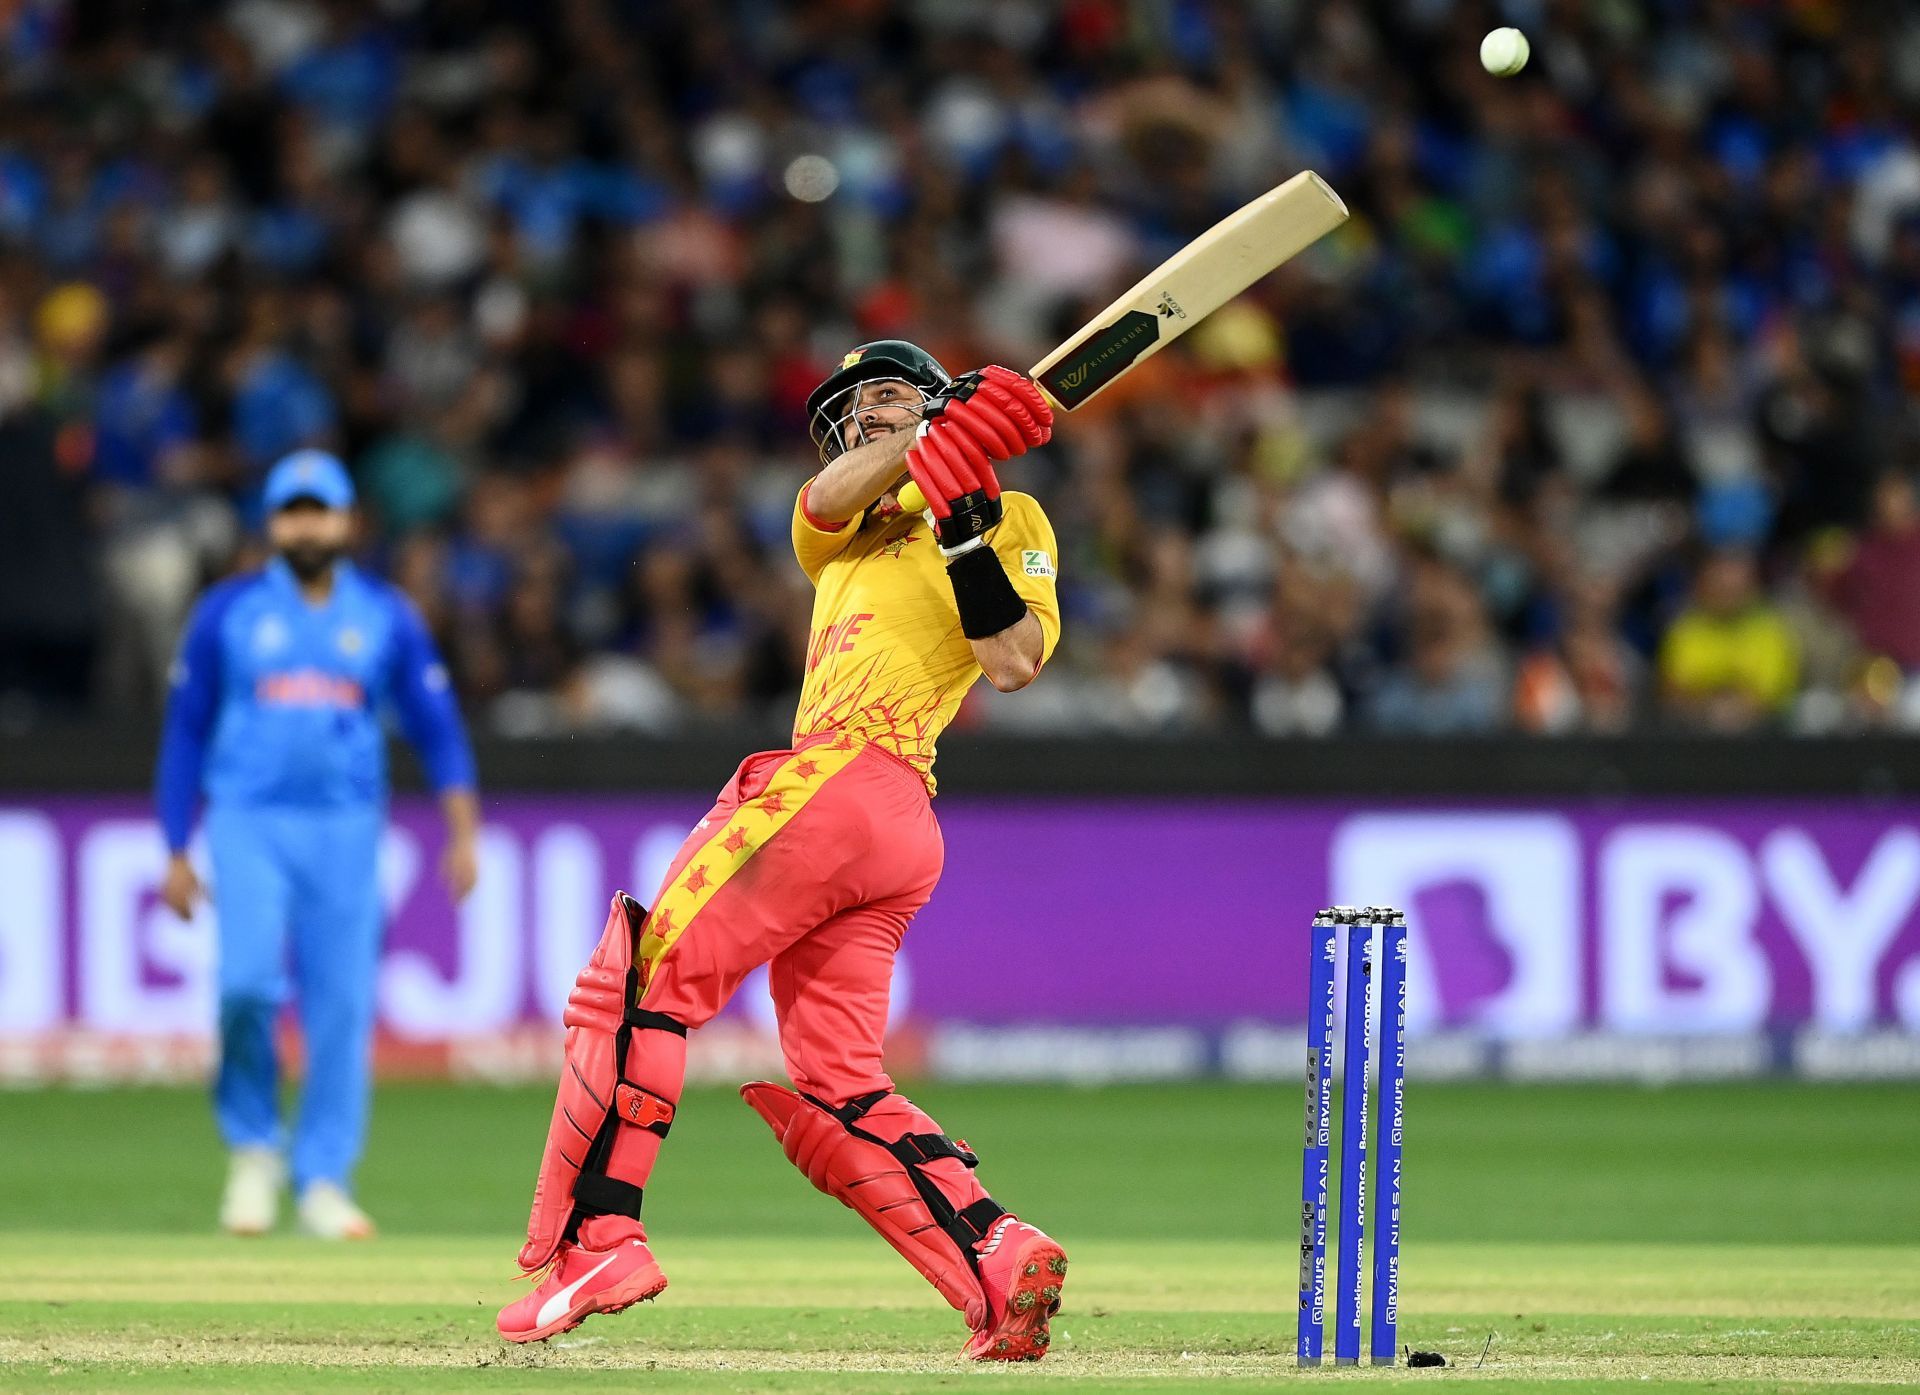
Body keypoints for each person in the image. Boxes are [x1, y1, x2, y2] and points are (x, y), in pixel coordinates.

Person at [496, 344, 1069, 1360]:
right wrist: (930, 440)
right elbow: (828, 493)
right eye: (846, 411)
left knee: (638, 981)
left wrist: (968, 534)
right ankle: (992, 1254)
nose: (860, 420)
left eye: (885, 397)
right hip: (885, 830)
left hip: (854, 780)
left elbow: (1014, 662)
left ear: (934, 396)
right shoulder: (841, 538)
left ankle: (599, 1235)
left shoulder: (1013, 518)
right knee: (836, 1084)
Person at [154, 450, 479, 1239]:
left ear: (345, 522)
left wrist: (462, 827)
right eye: (292, 511)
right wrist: (174, 845)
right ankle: (254, 1151)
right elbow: (186, 731)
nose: (306, 524)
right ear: (271, 523)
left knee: (339, 1006)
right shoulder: (226, 612)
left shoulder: (385, 614)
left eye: (320, 510)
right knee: (245, 986)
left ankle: (324, 1177)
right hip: (248, 819)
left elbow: (436, 725)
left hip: (346, 824)